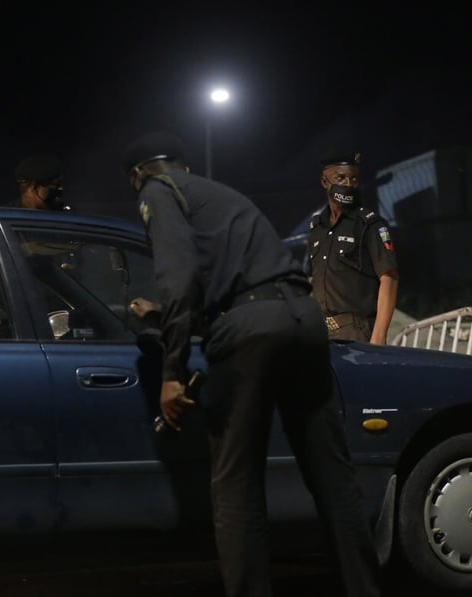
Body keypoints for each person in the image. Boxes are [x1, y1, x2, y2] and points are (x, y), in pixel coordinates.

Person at [122, 130, 381, 597]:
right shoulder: (216, 194)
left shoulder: (158, 191)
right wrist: (166, 316)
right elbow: (243, 287)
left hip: (250, 329)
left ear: (139, 174)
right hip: (303, 318)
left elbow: (179, 278)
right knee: (331, 476)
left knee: (236, 485)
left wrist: (171, 372)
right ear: (183, 164)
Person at [307, 151, 398, 344]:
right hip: (321, 330)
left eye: (354, 179)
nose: (348, 184)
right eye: (340, 178)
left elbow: (389, 277)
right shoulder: (317, 228)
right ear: (324, 182)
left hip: (357, 331)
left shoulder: (369, 224)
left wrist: (379, 336)